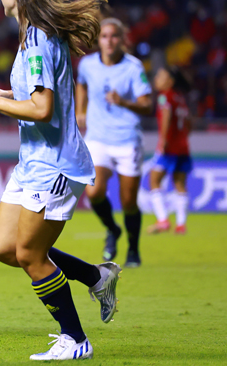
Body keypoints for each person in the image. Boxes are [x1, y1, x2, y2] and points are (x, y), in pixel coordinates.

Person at [0, 0, 121, 361]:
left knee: (29, 255)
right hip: (33, 162)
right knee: (6, 248)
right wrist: (7, 94)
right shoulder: (33, 36)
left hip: (55, 164)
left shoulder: (37, 39)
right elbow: (38, 95)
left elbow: (42, 109)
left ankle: (75, 339)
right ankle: (96, 276)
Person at [76, 18, 153, 268]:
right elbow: (81, 84)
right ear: (98, 40)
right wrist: (80, 110)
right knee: (93, 191)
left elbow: (147, 105)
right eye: (104, 36)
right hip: (98, 137)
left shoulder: (133, 67)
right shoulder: (88, 64)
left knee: (128, 202)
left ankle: (133, 250)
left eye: (114, 36)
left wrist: (124, 102)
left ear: (122, 39)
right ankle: (112, 228)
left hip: (127, 139)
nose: (109, 41)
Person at [148, 66, 193, 235]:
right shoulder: (180, 98)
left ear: (170, 81)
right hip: (183, 147)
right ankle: (181, 225)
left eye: (161, 76)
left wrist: (163, 140)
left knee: (154, 180)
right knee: (180, 184)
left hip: (169, 148)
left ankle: (163, 220)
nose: (156, 79)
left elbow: (166, 117)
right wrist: (183, 137)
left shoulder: (164, 96)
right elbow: (189, 122)